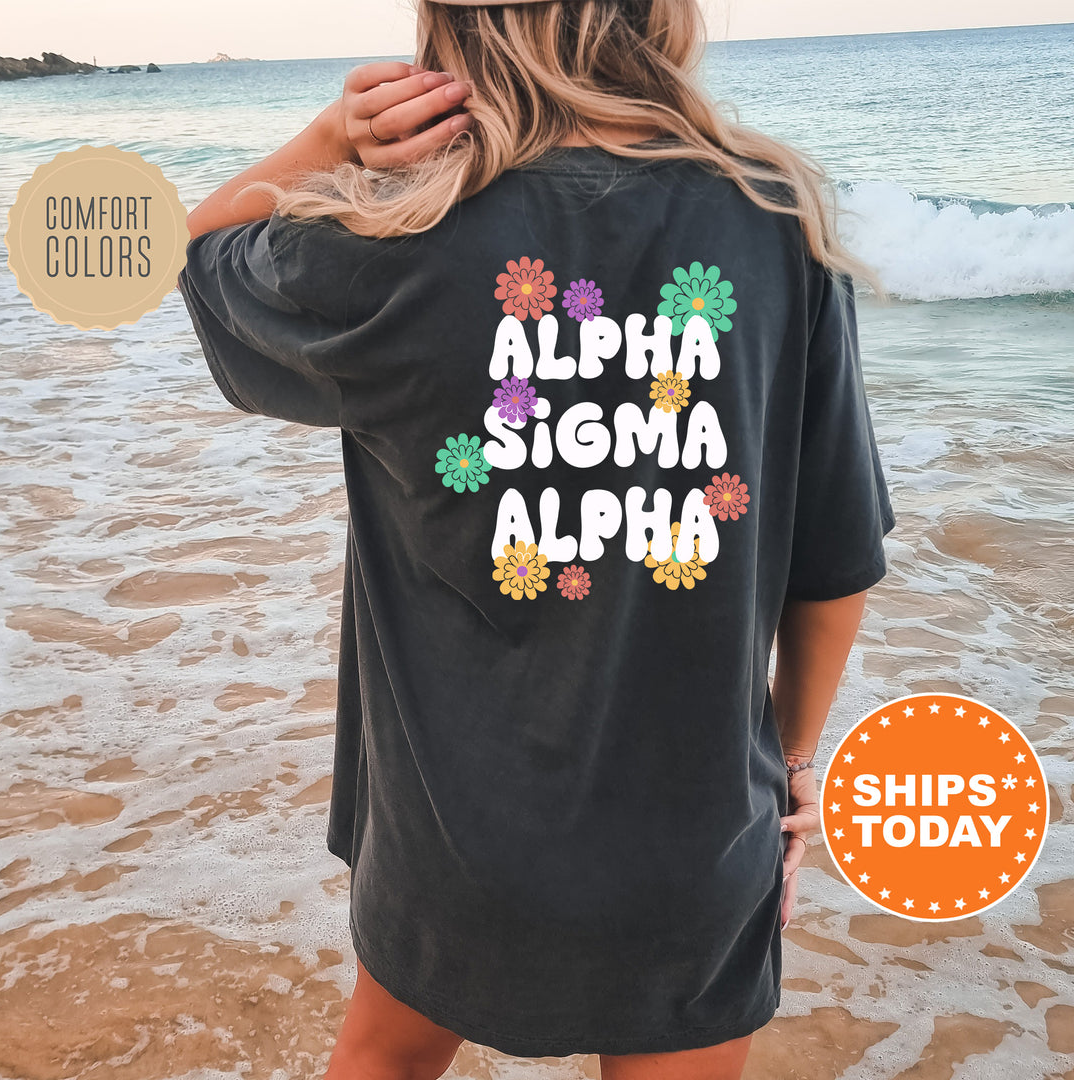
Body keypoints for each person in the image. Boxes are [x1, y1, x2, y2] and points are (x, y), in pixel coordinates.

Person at [176, 0, 897, 1076]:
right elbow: (835, 561)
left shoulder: (390, 237)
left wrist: (332, 140)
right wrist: (793, 763)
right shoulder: (773, 218)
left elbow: (196, 253)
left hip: (450, 837)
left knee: (383, 1059)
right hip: (694, 836)